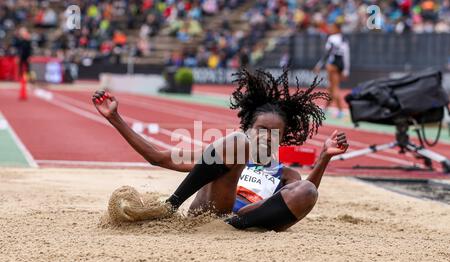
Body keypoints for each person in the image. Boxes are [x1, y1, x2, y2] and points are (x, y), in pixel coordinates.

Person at [92, 69, 349, 231]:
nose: (265, 137)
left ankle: (236, 225)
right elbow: (156, 157)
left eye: (274, 133)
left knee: (307, 189)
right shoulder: (224, 153)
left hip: (246, 218)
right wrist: (115, 118)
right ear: (248, 127)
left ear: (281, 139)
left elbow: (301, 197)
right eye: (259, 129)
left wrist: (324, 157)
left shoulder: (286, 174)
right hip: (210, 211)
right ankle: (171, 204)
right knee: (236, 144)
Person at [314, 22, 350, 118]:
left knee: (334, 88)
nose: (331, 29)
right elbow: (346, 55)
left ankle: (340, 110)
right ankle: (326, 108)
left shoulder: (332, 38)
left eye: (333, 27)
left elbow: (327, 53)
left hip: (332, 64)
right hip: (340, 64)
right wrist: (346, 69)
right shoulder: (344, 39)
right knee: (330, 87)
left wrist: (319, 64)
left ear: (338, 29)